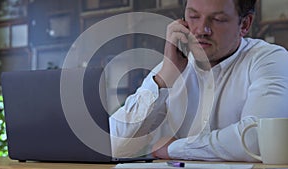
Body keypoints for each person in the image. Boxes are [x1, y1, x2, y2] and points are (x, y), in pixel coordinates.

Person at [109, 0, 288, 162]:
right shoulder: (173, 66)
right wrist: (164, 78)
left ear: (245, 24)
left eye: (217, 19)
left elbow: (257, 140)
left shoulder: (270, 59)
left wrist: (174, 149)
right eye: (193, 16)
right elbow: (113, 143)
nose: (202, 30)